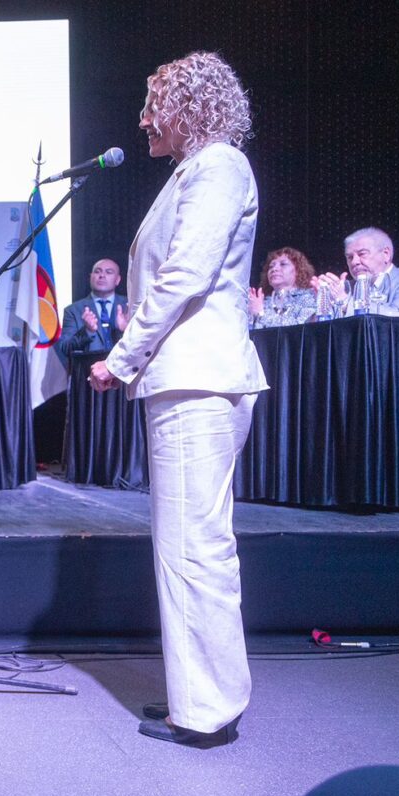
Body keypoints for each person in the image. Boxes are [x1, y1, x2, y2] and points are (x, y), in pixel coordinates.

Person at [89, 52, 267, 747]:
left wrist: (120, 358)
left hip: (197, 378)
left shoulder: (218, 166)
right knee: (192, 545)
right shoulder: (194, 171)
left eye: (152, 104)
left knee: (194, 549)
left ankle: (205, 712)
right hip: (189, 379)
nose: (142, 120)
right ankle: (203, 695)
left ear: (188, 107)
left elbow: (184, 275)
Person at [315, 228, 399, 318]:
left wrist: (345, 301)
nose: (354, 262)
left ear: (386, 254)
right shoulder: (345, 288)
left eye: (362, 254)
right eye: (349, 257)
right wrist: (323, 303)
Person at [56, 259, 129, 362]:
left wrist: (126, 330)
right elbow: (65, 348)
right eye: (97, 271)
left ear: (117, 280)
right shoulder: (73, 310)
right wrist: (87, 331)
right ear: (90, 277)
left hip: (123, 369)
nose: (102, 275)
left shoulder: (128, 306)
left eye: (108, 272)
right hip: (88, 370)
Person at [248, 247, 316, 328]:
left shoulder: (310, 298)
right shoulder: (263, 303)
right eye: (271, 266)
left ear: (298, 270)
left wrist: (260, 314)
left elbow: (296, 329)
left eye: (283, 264)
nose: (274, 269)